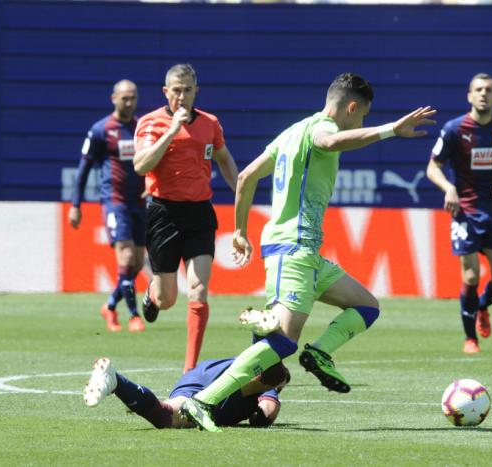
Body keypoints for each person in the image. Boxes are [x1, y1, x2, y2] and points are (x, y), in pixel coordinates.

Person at [180, 72, 436, 432]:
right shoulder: (320, 128)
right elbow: (329, 143)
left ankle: (319, 351)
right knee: (283, 341)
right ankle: (202, 400)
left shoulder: (289, 133)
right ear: (351, 107)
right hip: (293, 247)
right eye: (361, 116)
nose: (360, 122)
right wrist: (390, 129)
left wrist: (240, 231)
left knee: (366, 306)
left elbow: (245, 177)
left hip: (306, 252)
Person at [133, 64, 239, 373]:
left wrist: (239, 194)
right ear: (166, 92)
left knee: (199, 289)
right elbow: (141, 166)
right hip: (163, 213)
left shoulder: (210, 124)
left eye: (187, 90)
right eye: (176, 91)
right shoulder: (151, 123)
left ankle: (189, 370)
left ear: (196, 91)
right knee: (168, 299)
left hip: (199, 212)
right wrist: (172, 131)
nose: (182, 96)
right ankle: (153, 296)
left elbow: (224, 159)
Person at [426, 72, 492, 354]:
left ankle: (482, 307)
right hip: (465, 211)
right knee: (471, 276)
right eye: (478, 89)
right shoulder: (454, 129)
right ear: (469, 96)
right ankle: (470, 340)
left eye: (489, 89)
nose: (483, 94)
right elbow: (432, 167)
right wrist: (448, 188)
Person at [69, 79, 146, 333]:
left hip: (140, 202)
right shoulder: (101, 130)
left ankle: (110, 305)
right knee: (124, 256)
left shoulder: (141, 128)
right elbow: (83, 170)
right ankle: (135, 316)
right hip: (114, 202)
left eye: (133, 97)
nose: (129, 102)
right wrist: (76, 205)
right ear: (113, 98)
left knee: (136, 263)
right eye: (124, 97)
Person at [83, 356, 289, 430]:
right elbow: (266, 414)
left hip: (200, 375)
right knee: (167, 419)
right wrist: (274, 394)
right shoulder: (268, 385)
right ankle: (116, 381)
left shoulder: (246, 359)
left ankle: (119, 385)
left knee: (166, 412)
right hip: (220, 388)